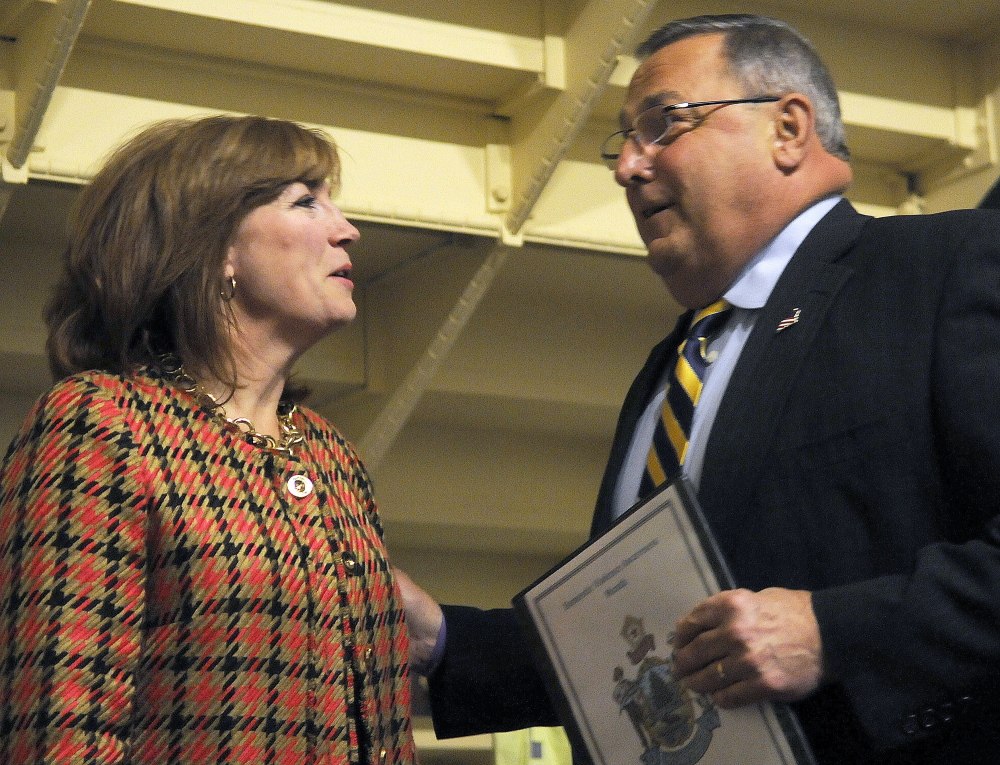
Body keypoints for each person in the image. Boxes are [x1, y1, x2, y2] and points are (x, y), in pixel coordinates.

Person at [397, 13, 1000, 764]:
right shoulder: (667, 372)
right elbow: (653, 646)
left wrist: (835, 631)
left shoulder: (949, 268)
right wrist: (446, 640)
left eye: (664, 123)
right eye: (624, 141)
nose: (626, 167)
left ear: (787, 129)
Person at [0, 114, 416, 764]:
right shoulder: (104, 424)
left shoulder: (333, 456)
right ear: (217, 244)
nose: (347, 228)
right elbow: (59, 733)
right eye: (306, 201)